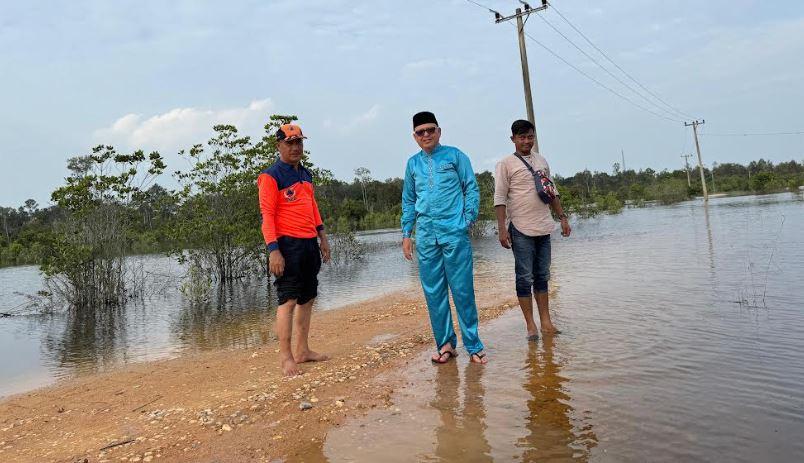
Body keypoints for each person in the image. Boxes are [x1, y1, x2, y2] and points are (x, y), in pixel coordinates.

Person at [401, 111, 488, 364]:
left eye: (430, 130)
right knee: (434, 292)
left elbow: (471, 187)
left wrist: (467, 220)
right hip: (426, 236)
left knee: (462, 291)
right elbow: (408, 200)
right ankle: (446, 344)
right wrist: (407, 233)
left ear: (439, 131)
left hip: (454, 233)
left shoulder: (455, 156)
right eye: (421, 132)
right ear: (415, 137)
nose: (426, 135)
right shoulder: (412, 164)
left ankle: (474, 345)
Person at [258, 123, 331, 376]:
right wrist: (273, 250)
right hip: (287, 245)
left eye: (299, 142)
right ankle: (286, 357)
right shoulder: (271, 176)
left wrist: (322, 237)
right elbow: (267, 216)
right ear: (279, 146)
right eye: (290, 143)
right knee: (287, 300)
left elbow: (313, 208)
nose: (295, 147)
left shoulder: (306, 175)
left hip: (309, 243)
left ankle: (303, 351)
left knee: (308, 298)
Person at [494, 119, 571, 340]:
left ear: (534, 137)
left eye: (530, 136)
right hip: (520, 229)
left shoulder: (541, 161)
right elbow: (499, 199)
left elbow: (552, 191)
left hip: (544, 226)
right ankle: (530, 325)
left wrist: (562, 218)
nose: (526, 141)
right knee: (524, 278)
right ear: (513, 139)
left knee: (542, 276)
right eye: (521, 137)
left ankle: (546, 322)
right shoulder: (505, 164)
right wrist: (502, 228)